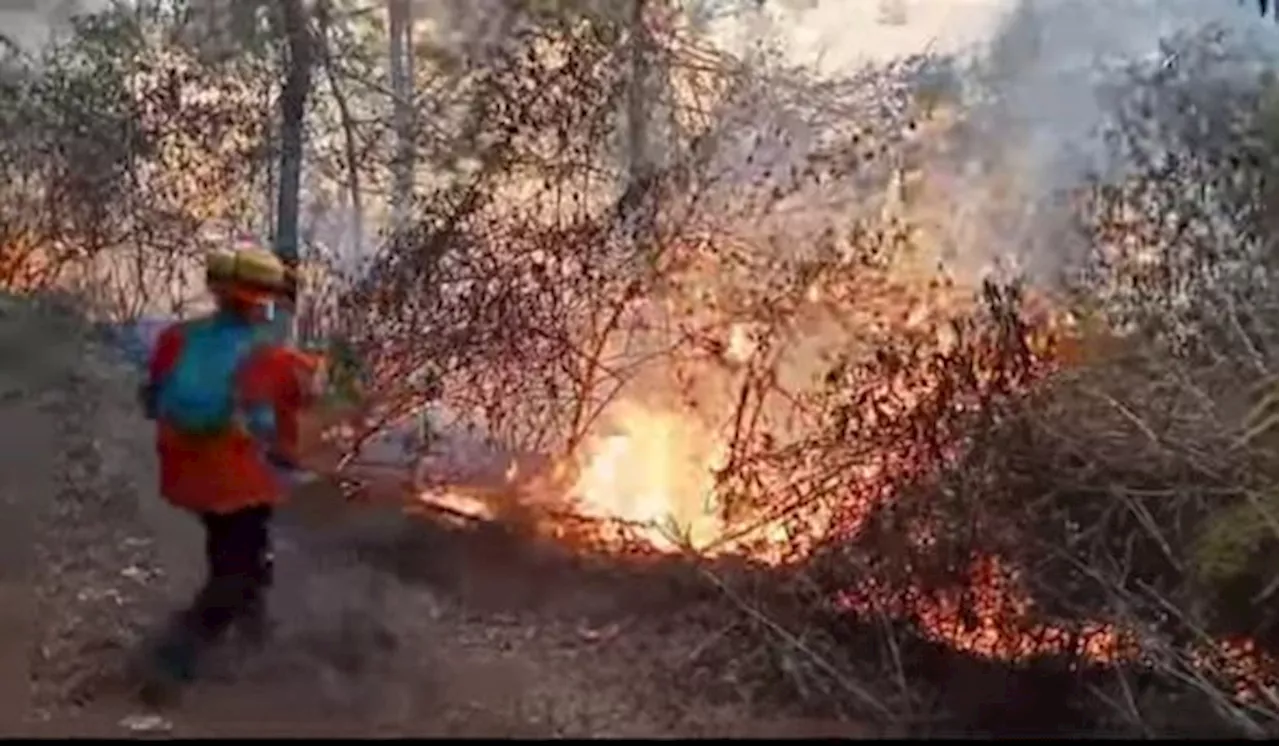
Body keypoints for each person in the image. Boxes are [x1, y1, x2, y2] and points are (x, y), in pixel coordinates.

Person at [138, 238, 321, 700]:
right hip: (236, 478)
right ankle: (170, 660)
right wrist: (289, 455)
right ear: (262, 302)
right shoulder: (273, 359)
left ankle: (253, 644)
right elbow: (293, 417)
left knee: (239, 551)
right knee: (238, 573)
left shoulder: (174, 338)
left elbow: (151, 399)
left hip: (180, 471)